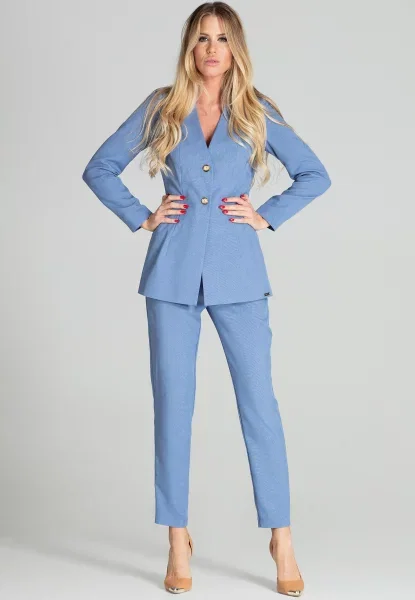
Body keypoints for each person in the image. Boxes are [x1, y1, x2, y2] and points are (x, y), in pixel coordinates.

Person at [82, 2, 331, 596]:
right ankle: (177, 538)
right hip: (171, 275)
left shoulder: (256, 110)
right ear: (189, 48)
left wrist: (266, 215)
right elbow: (100, 168)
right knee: (173, 405)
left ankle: (282, 537)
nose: (212, 48)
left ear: (235, 47)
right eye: (201, 38)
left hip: (239, 275)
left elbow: (315, 174)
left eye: (221, 38)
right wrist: (142, 216)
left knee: (259, 406)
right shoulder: (161, 107)